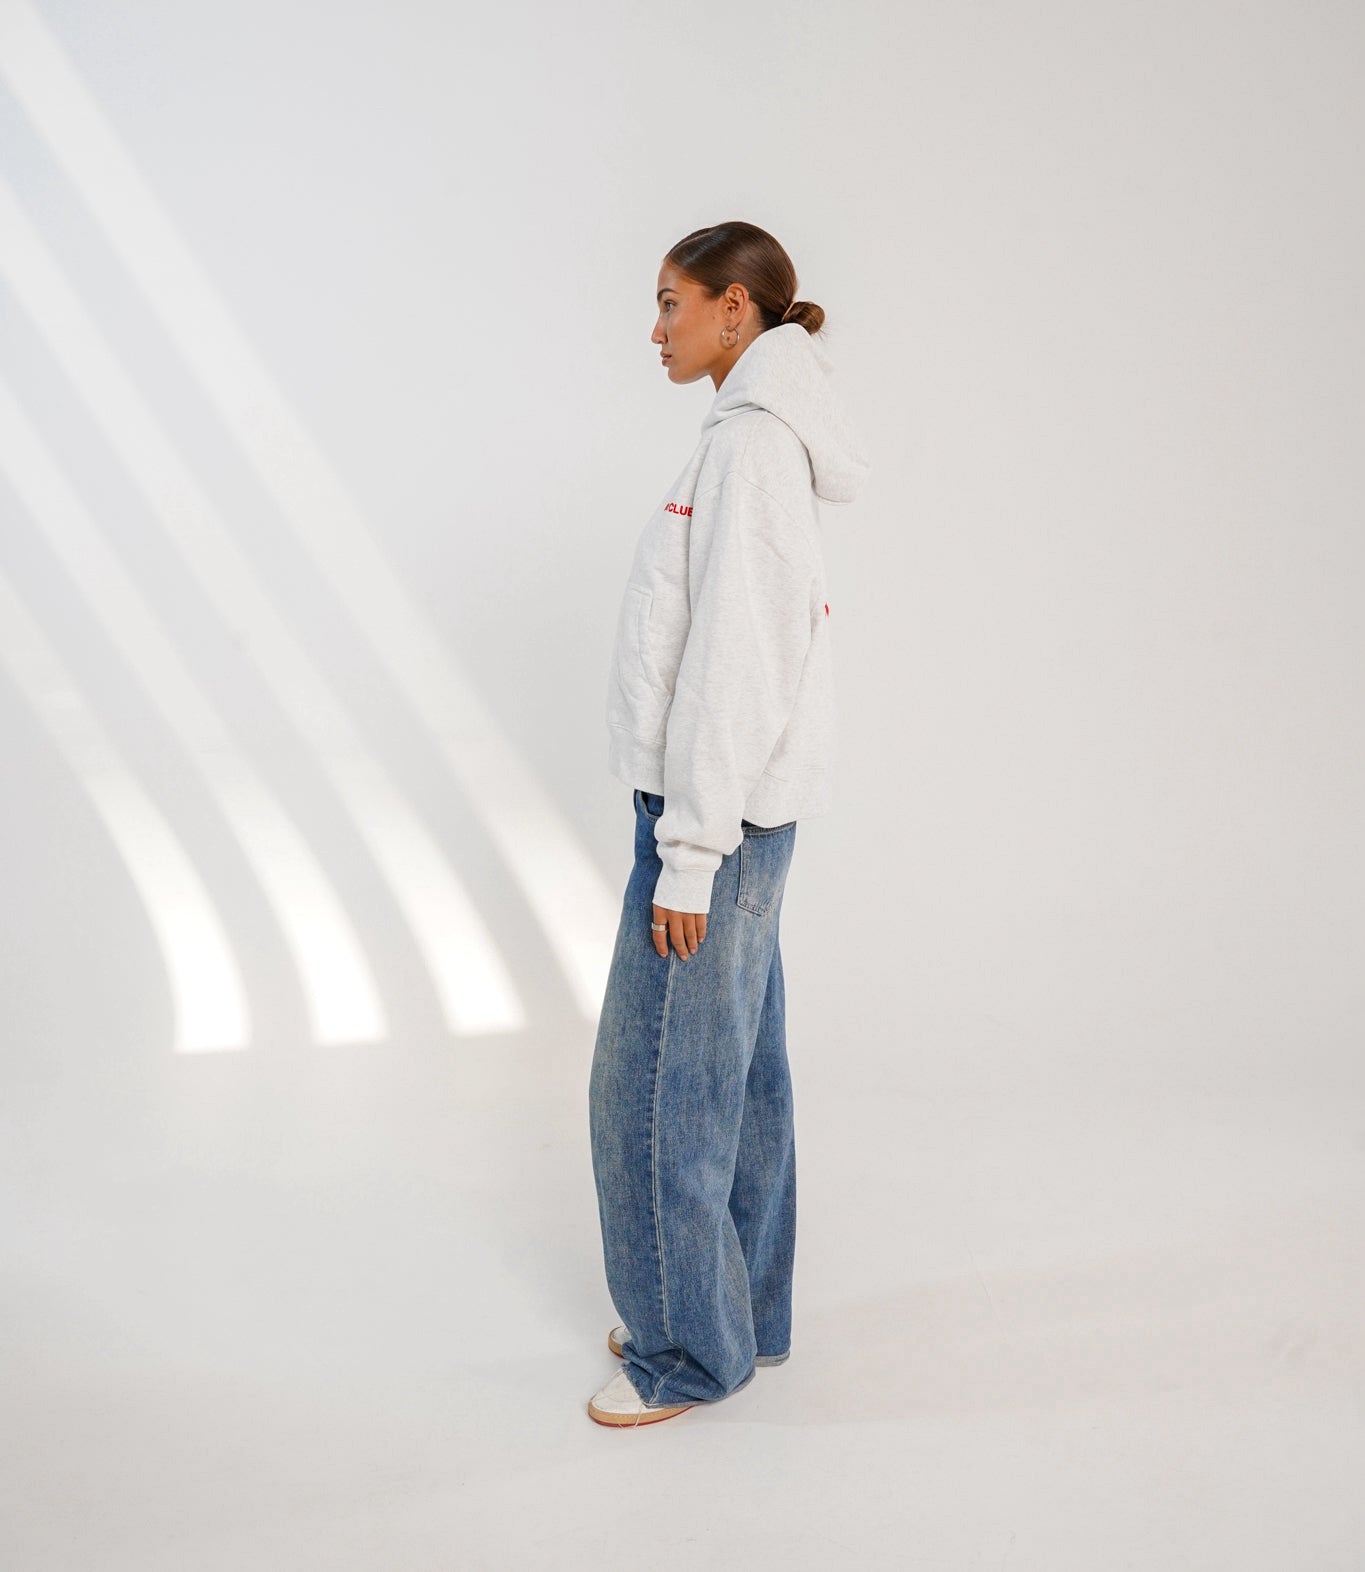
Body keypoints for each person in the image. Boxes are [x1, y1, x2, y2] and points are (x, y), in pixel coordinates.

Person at [586, 220, 870, 1427]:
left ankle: (688, 1351)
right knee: (736, 1079)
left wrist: (689, 853)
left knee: (655, 1093)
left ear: (733, 310)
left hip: (717, 821)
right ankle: (736, 1311)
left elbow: (736, 662)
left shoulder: (751, 446)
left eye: (672, 302)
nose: (656, 328)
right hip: (743, 813)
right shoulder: (754, 435)